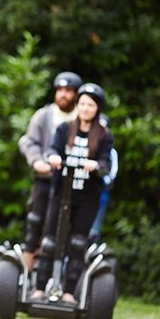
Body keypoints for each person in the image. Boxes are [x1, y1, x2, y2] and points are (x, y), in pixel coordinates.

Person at [31, 83, 113, 304]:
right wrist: (52, 158)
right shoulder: (65, 129)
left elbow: (106, 162)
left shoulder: (104, 135)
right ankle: (39, 288)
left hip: (87, 198)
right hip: (60, 193)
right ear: (78, 106)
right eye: (83, 104)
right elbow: (52, 151)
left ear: (98, 109)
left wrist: (95, 166)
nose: (86, 109)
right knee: (49, 241)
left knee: (77, 243)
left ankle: (68, 292)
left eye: (91, 105)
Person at [18, 72, 83, 271]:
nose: (63, 94)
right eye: (60, 90)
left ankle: (59, 273)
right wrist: (37, 161)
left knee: (67, 228)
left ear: (76, 95)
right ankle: (27, 267)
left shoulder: (83, 117)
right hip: (46, 179)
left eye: (68, 91)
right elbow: (29, 141)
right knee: (36, 221)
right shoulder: (44, 115)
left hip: (74, 182)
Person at [88, 114, 119, 244]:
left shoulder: (111, 151)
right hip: (84, 189)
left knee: (94, 229)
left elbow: (112, 172)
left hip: (101, 190)